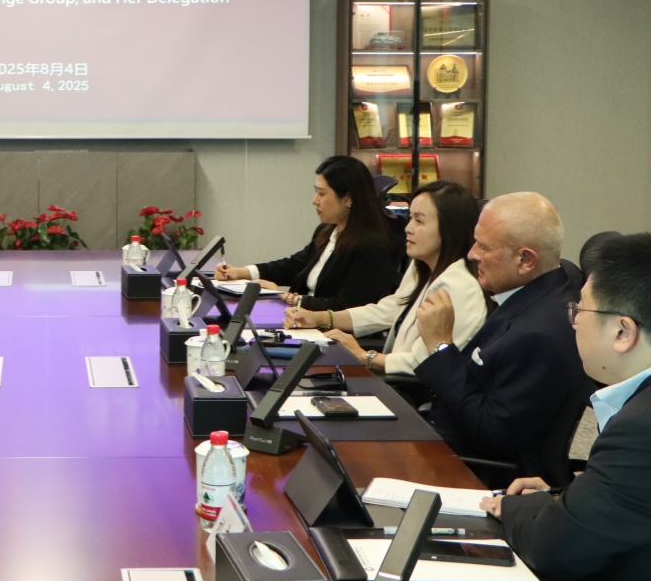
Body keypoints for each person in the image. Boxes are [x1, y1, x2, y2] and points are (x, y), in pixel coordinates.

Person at [481, 233, 651, 581]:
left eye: (580, 310)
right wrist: (567, 499)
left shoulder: (641, 429)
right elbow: (633, 498)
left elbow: (554, 548)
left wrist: (516, 507)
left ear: (623, 332)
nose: (573, 321)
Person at [413, 191, 588, 479]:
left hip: (471, 468)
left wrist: (440, 345)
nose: (472, 254)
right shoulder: (550, 281)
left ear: (526, 260)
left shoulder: (538, 337)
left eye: (484, 246)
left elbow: (491, 434)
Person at [283, 180, 487, 376]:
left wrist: (365, 356)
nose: (408, 228)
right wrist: (321, 318)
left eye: (419, 221)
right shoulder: (423, 268)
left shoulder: (459, 288)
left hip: (413, 392)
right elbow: (390, 310)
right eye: (410, 218)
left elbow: (427, 363)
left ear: (449, 228)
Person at [215, 155, 396, 311]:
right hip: (302, 319)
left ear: (348, 198)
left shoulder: (371, 247)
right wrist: (243, 272)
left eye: (322, 194)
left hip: (330, 332)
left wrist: (285, 297)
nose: (314, 201)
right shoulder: (327, 230)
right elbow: (293, 266)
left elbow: (345, 307)